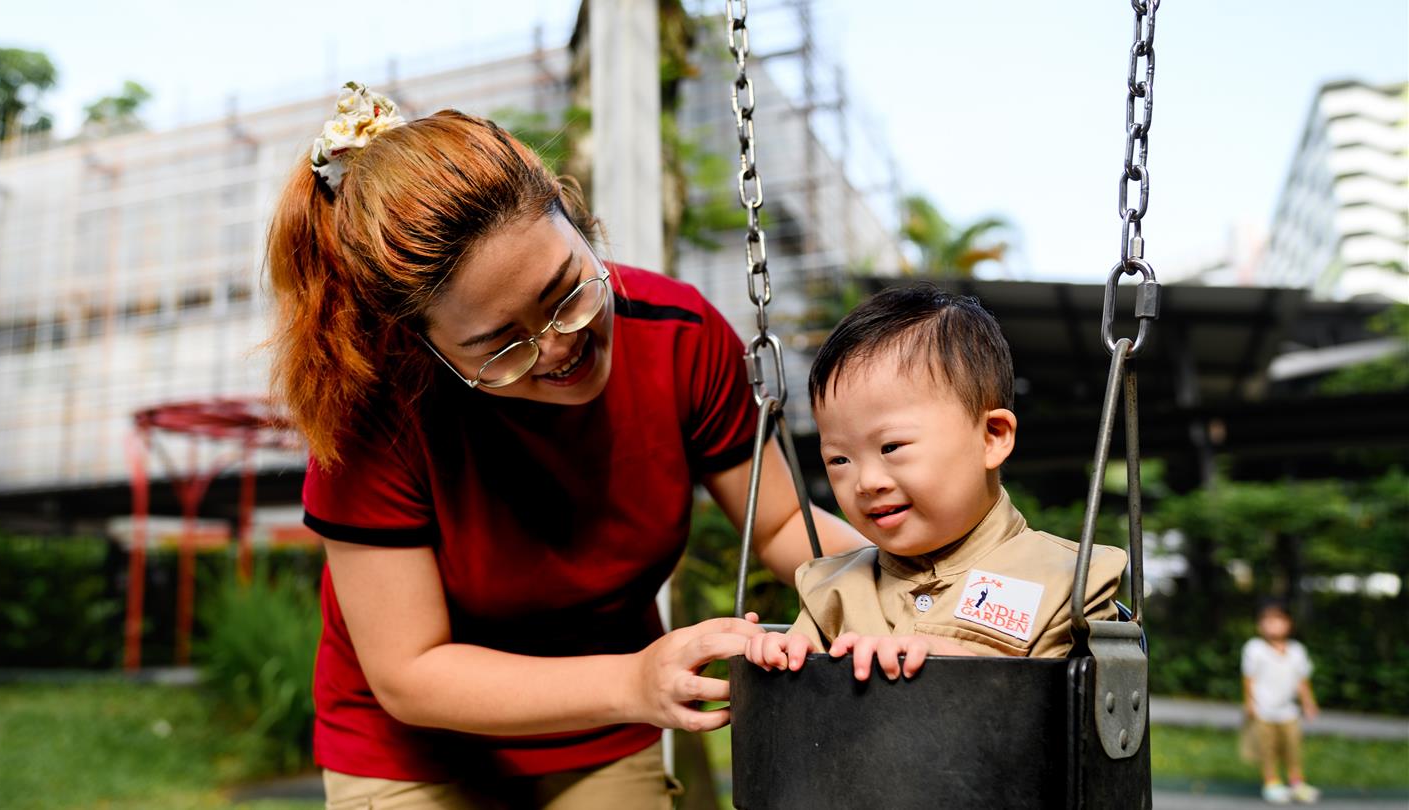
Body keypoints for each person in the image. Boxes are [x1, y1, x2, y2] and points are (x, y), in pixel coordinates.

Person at [266, 83, 864, 808]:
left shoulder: (678, 338)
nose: (558, 347)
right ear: (420, 344)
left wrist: (918, 589)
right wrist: (634, 681)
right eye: (501, 346)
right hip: (415, 747)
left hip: (606, 723)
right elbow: (411, 672)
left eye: (568, 292)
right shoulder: (376, 411)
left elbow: (775, 524)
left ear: (580, 223)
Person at [745, 284, 1128, 681]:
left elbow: (1065, 718)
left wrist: (951, 666)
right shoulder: (832, 591)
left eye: (892, 446)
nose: (866, 482)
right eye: (839, 459)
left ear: (991, 436)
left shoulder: (1066, 581)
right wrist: (786, 655)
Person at [1242, 600, 1321, 805]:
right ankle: (1272, 783)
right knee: (1267, 749)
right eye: (1267, 621)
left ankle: (1296, 783)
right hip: (1263, 710)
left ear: (1289, 623)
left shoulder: (1297, 651)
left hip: (1288, 711)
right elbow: (1249, 679)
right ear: (1260, 625)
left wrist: (1308, 702)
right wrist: (1249, 703)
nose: (1273, 625)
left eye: (1278, 620)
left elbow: (1302, 681)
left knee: (1292, 747)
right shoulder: (1255, 649)